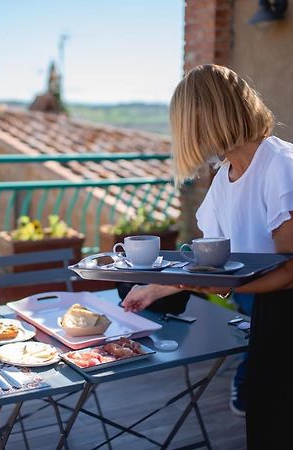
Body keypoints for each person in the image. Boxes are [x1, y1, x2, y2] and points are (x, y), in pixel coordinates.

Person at [122, 65, 293, 450]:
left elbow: (289, 274)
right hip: (266, 315)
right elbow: (211, 262)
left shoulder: (280, 166)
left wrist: (198, 283)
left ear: (204, 119)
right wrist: (155, 286)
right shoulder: (224, 178)